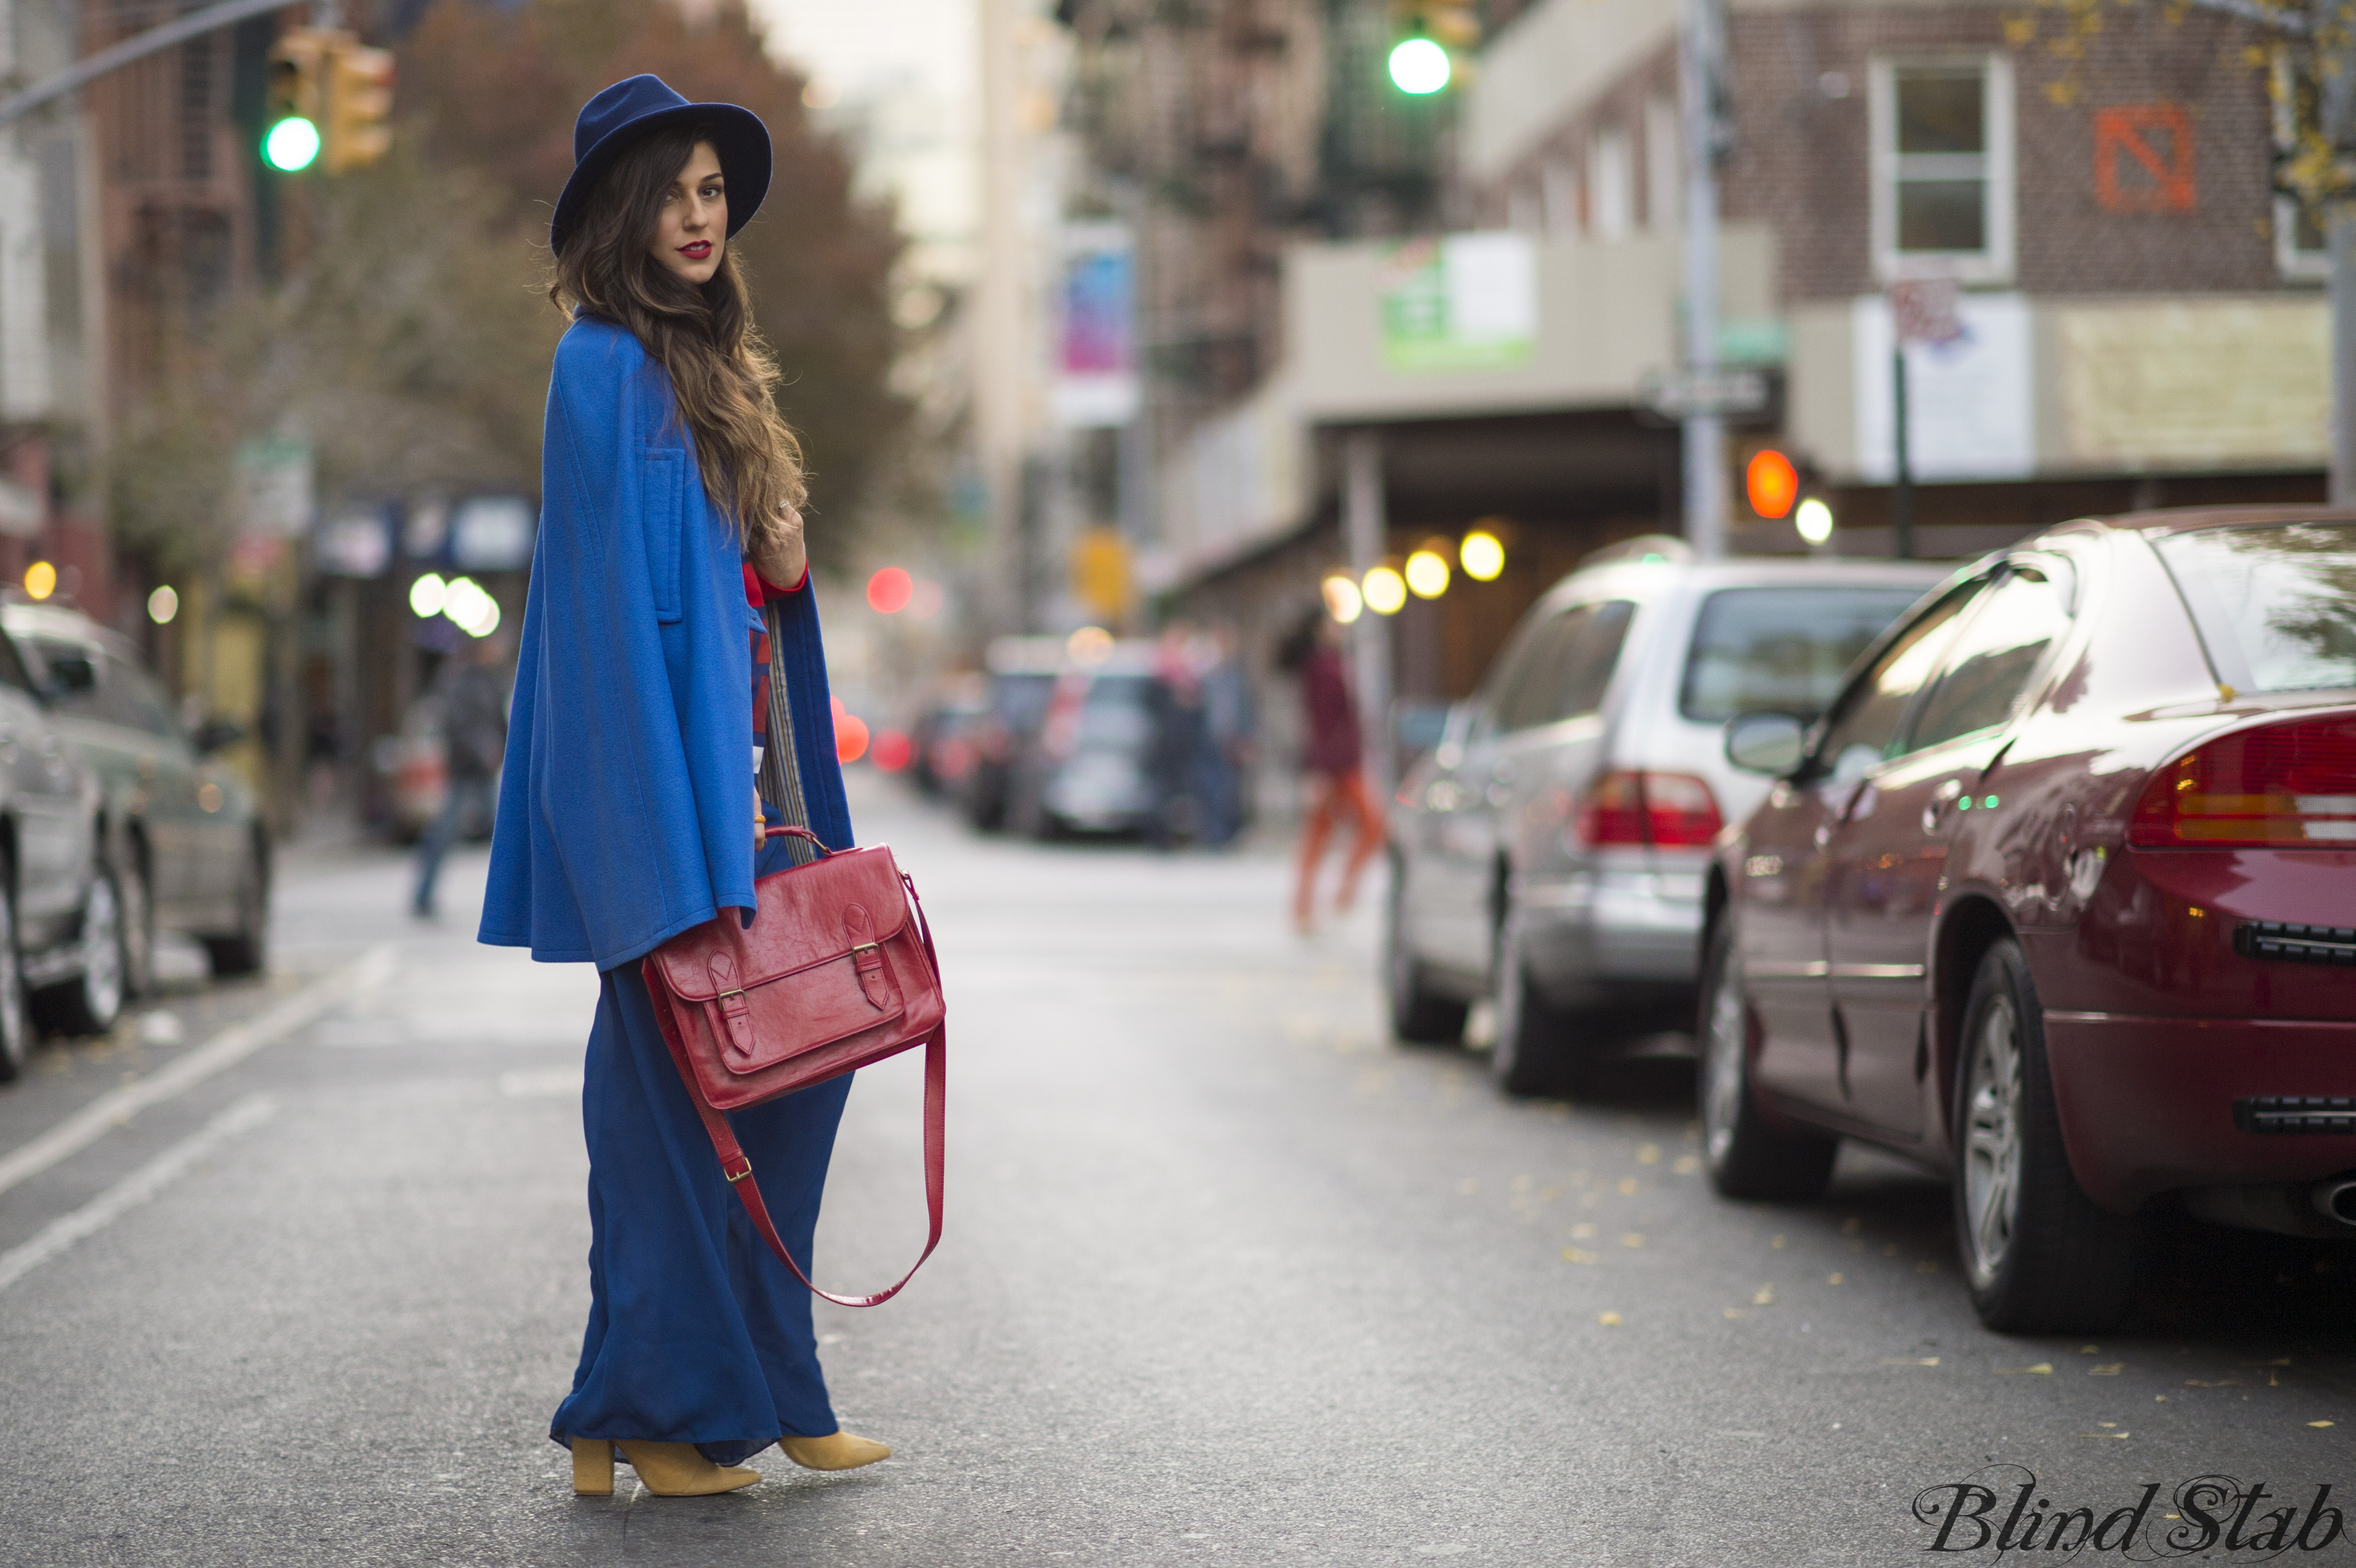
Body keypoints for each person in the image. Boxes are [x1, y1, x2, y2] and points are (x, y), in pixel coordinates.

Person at [478, 75, 890, 1499]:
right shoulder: (598, 366)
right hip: (669, 823)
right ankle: (660, 1411)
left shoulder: (718, 366)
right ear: (615, 213)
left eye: (712, 189)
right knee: (671, 1126)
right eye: (671, 190)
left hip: (760, 793)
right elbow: (597, 627)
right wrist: (650, 861)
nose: (699, 215)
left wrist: (780, 540)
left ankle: (749, 1388)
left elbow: (757, 593)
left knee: (791, 1081)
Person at [1276, 605, 1384, 934]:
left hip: (1345, 761)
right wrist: (1318, 770)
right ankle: (1320, 902)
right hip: (1335, 765)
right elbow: (1320, 723)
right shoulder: (1320, 668)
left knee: (1324, 834)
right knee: (1364, 827)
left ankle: (1318, 903)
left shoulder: (1334, 661)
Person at [410, 635, 509, 918]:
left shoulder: (490, 681)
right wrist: (484, 752)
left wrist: (506, 750)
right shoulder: (461, 682)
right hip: (466, 769)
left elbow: (499, 722)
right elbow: (460, 726)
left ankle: (512, 902)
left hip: (485, 771)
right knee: (445, 833)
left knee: (505, 833)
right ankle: (423, 893)